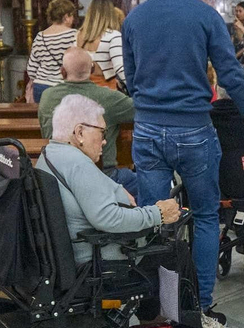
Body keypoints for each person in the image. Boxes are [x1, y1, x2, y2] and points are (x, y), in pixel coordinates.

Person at [123, 0, 244, 328]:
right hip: (193, 128)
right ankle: (201, 307)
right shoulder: (207, 17)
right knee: (208, 216)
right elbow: (231, 76)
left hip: (148, 126)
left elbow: (131, 75)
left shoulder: (136, 17)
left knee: (152, 219)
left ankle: (155, 308)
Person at [39, 95, 180, 265]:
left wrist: (117, 188)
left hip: (73, 255)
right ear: (80, 132)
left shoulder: (50, 154)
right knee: (176, 253)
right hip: (104, 258)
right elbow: (108, 218)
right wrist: (158, 214)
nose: (105, 141)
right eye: (102, 132)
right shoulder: (78, 163)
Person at [38, 48, 135, 190]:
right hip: (103, 176)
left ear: (62, 71)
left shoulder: (47, 96)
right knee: (144, 182)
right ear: (92, 69)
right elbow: (143, 111)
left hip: (57, 174)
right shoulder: (110, 98)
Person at [26, 0, 79, 103]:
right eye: (72, 15)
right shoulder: (74, 35)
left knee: (43, 119)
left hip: (40, 86)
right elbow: (78, 64)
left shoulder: (40, 36)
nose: (73, 19)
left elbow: (31, 70)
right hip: (64, 87)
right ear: (66, 17)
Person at [76, 0, 126, 89]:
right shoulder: (113, 36)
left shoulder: (78, 35)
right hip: (105, 91)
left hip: (81, 89)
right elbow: (121, 69)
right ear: (110, 14)